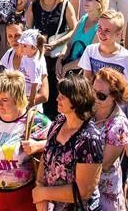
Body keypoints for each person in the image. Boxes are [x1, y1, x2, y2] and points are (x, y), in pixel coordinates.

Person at [0, 69, 52, 211]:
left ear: (18, 98)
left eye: (5, 100)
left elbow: (61, 146)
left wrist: (39, 145)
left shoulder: (38, 122)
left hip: (26, 199)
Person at [33, 73, 104, 211]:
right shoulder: (59, 121)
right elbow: (46, 155)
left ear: (77, 100)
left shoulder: (89, 139)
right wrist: (40, 185)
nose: (57, 98)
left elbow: (83, 191)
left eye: (63, 96)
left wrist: (43, 193)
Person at [91, 68, 128, 211]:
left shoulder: (119, 126)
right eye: (92, 91)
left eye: (101, 96)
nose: (95, 97)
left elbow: (103, 164)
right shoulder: (87, 107)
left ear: (115, 97)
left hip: (103, 193)